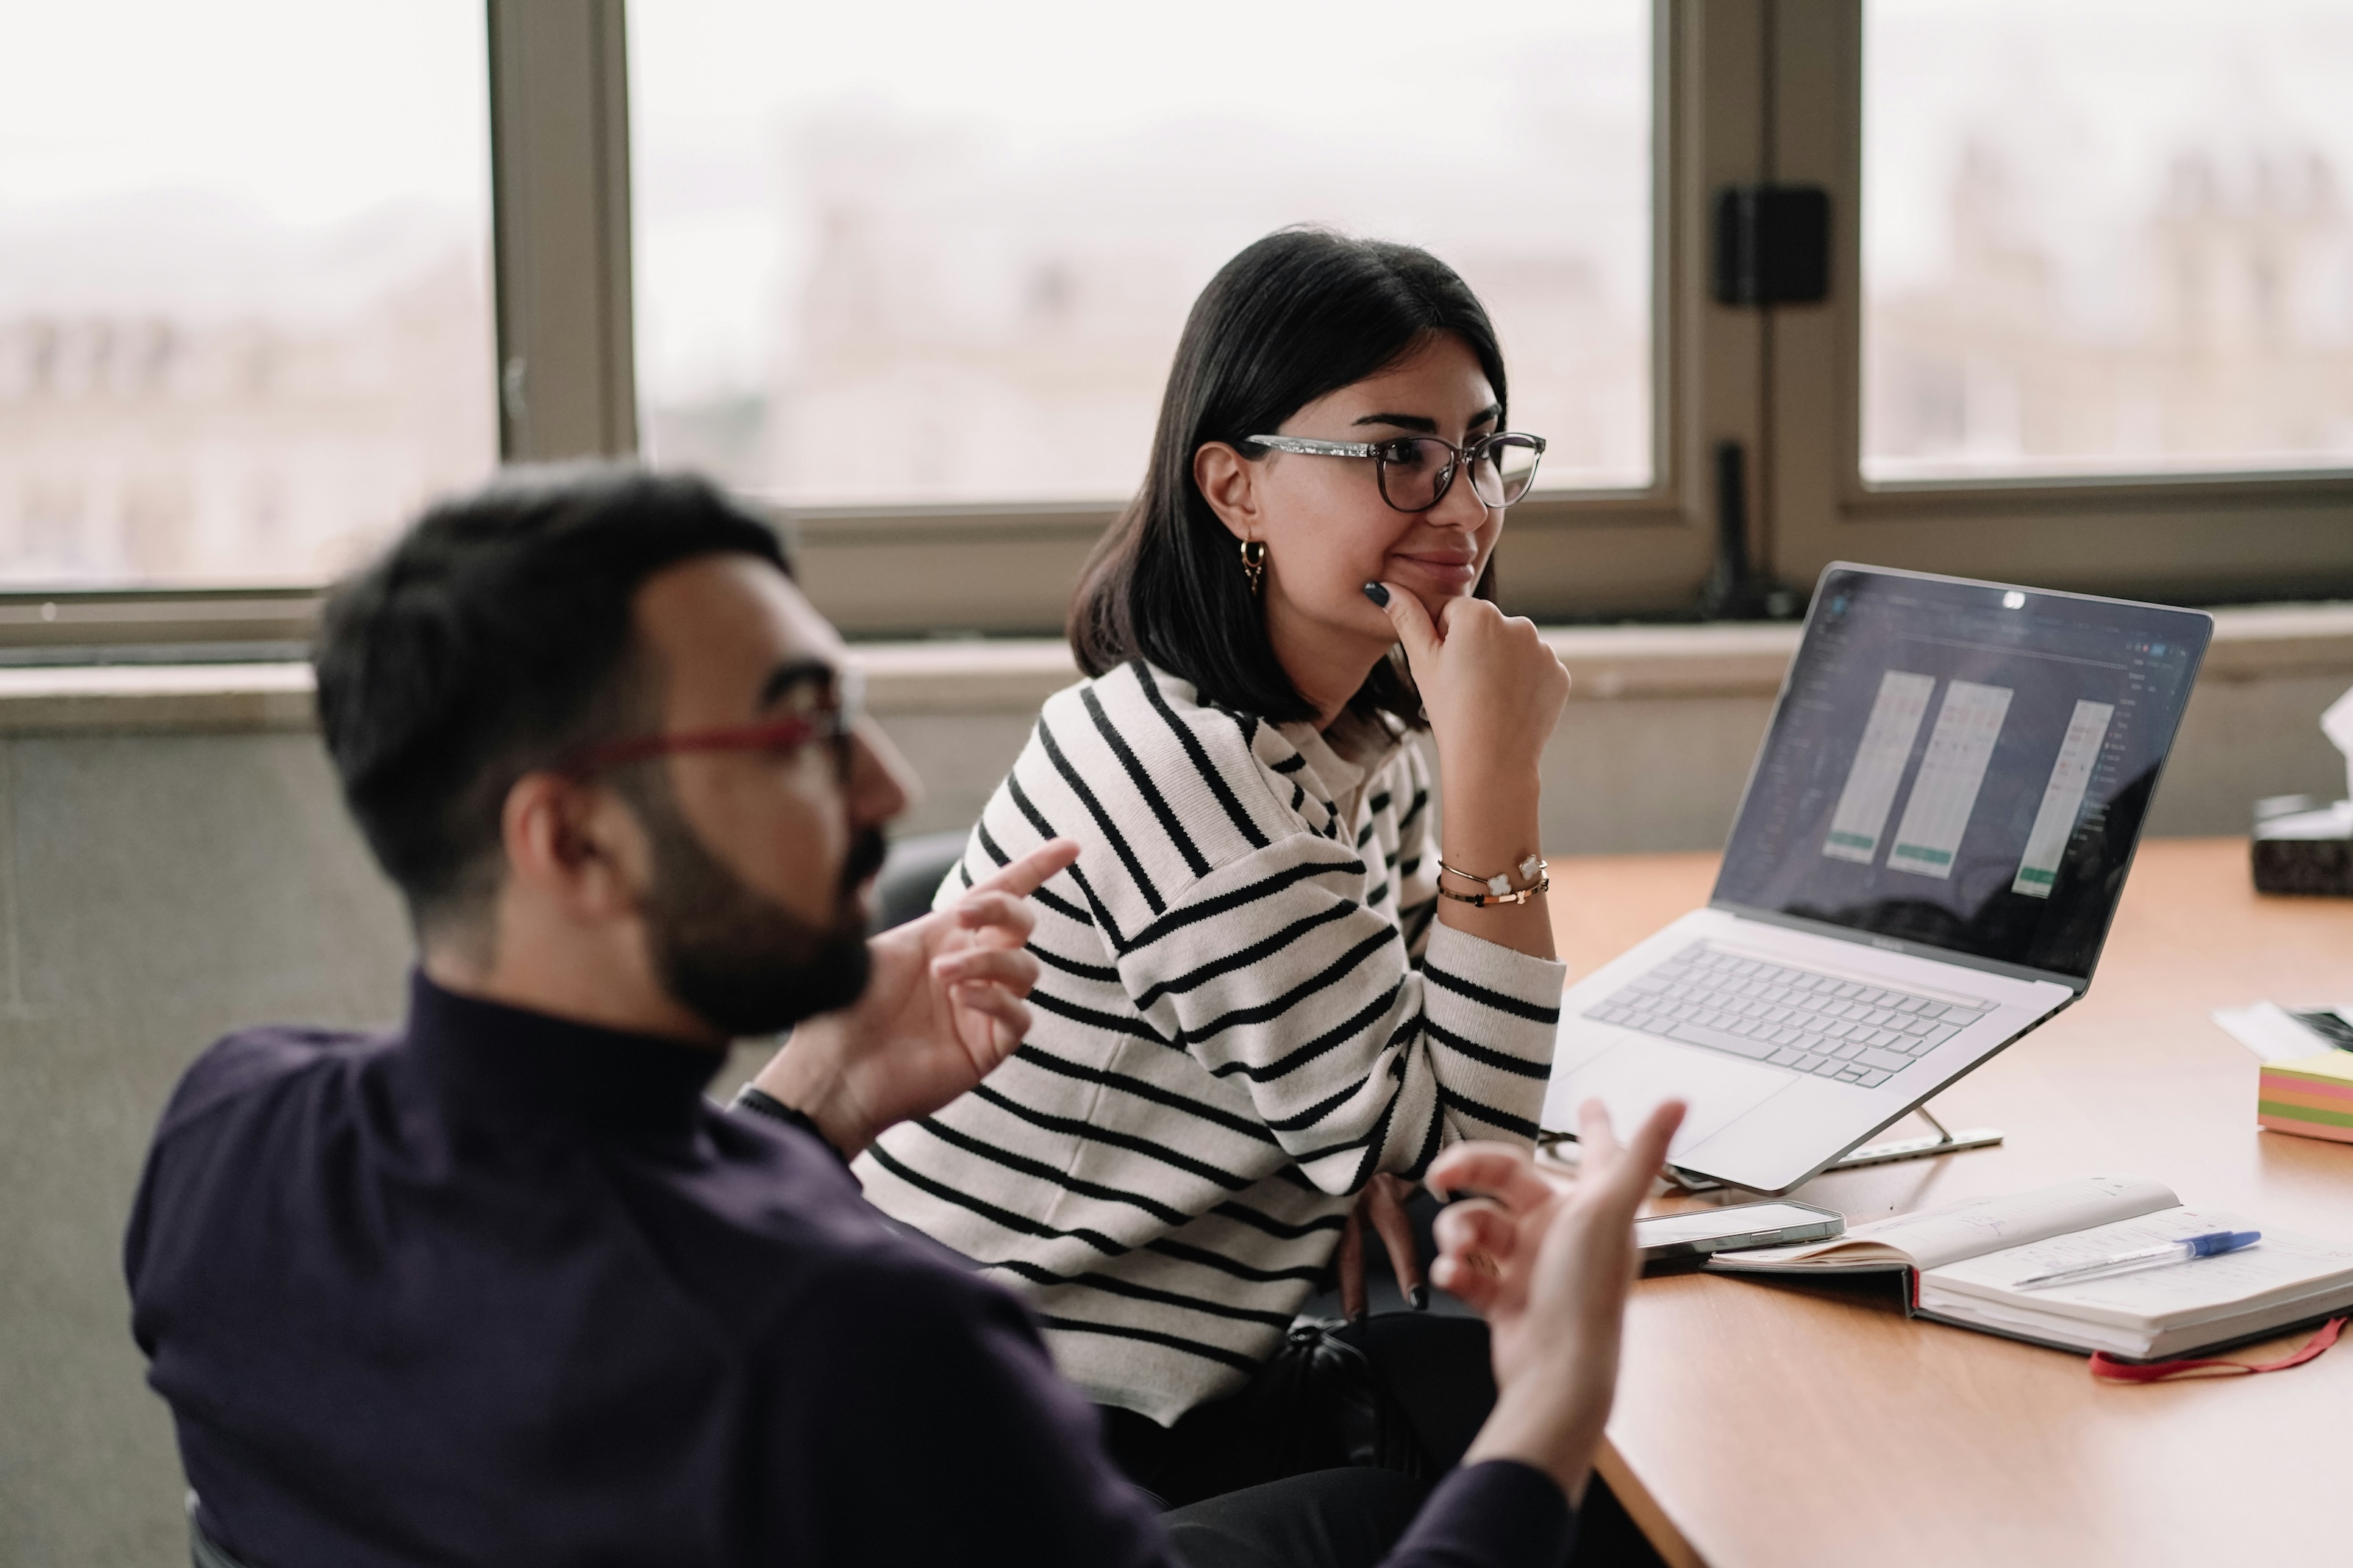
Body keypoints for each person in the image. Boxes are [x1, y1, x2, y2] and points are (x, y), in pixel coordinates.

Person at [123, 465, 1683, 1568]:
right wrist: (1552, 1399)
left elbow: (569, 1328)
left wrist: (811, 1097)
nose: (882, 788)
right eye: (802, 730)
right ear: (571, 840)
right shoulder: (873, 1350)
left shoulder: (226, 1133)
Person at [856, 227, 1574, 1496]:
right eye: (1398, 455)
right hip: (1004, 1445)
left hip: (1133, 1389)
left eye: (1479, 451)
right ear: (1235, 487)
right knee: (1580, 1499)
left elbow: (1415, 1061)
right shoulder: (1206, 793)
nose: (1466, 506)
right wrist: (1500, 783)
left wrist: (1371, 1141)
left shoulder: (1357, 727)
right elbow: (1471, 1155)